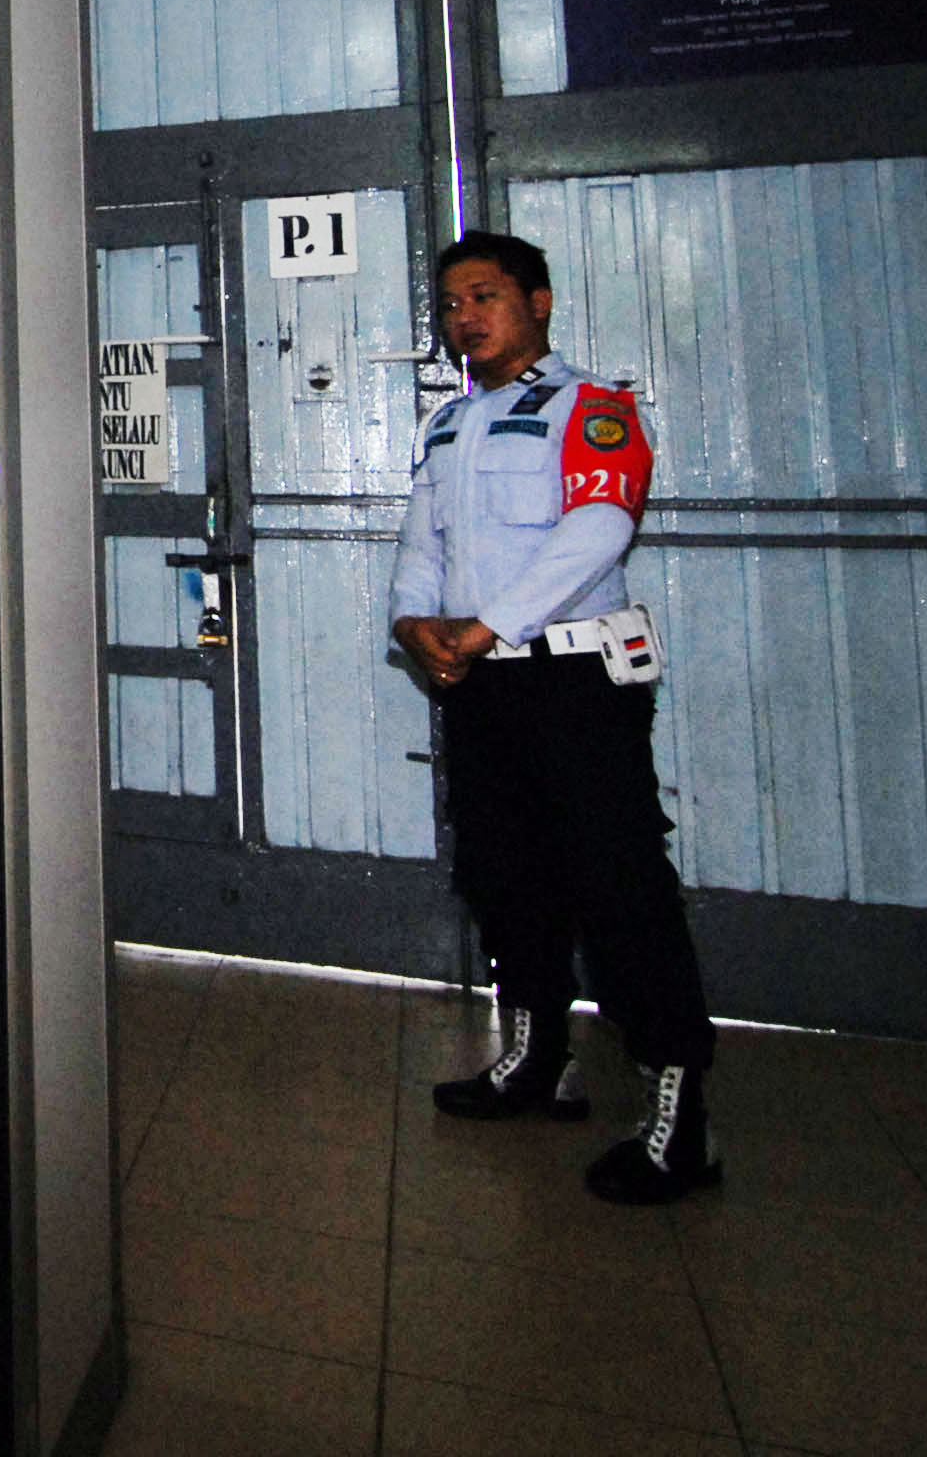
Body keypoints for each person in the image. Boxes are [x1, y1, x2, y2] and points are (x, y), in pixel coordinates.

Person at [388, 230, 721, 1205]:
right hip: (480, 685)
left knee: (619, 887)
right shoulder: (449, 427)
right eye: (450, 304)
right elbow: (423, 540)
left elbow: (599, 527)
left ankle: (681, 1116)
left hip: (574, 681)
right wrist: (414, 624)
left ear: (538, 302)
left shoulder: (591, 406)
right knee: (504, 876)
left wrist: (486, 627)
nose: (464, 318)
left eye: (484, 296)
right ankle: (533, 1059)